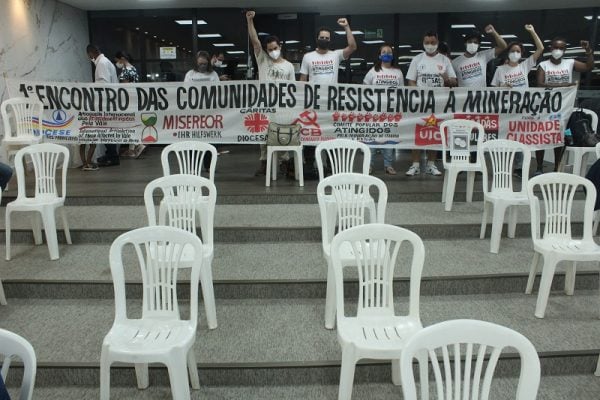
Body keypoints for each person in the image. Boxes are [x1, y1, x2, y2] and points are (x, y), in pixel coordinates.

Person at [246, 10, 297, 176]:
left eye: (275, 48)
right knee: (263, 134)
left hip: (282, 106)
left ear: (280, 46)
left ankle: (285, 162)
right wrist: (250, 21)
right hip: (265, 103)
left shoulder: (289, 66)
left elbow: (293, 88)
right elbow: (255, 41)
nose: (272, 51)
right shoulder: (263, 60)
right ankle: (264, 162)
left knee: (282, 133)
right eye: (269, 49)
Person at [535, 37, 595, 175]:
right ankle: (539, 167)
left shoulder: (570, 62)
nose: (558, 50)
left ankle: (557, 167)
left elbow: (589, 67)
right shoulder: (544, 65)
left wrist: (588, 51)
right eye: (555, 47)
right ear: (551, 49)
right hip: (545, 106)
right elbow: (540, 84)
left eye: (561, 48)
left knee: (558, 137)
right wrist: (564, 85)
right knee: (541, 137)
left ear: (565, 50)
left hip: (563, 107)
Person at [490, 24, 544, 177]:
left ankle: (519, 167)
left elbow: (540, 49)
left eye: (518, 51)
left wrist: (532, 31)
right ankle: (503, 166)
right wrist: (502, 87)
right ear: (508, 53)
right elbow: (492, 89)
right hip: (506, 109)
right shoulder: (500, 70)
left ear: (521, 54)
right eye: (512, 51)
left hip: (522, 108)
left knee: (520, 138)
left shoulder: (524, 66)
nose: (515, 53)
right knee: (505, 137)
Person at [405, 31, 457, 176]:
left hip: (438, 104)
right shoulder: (417, 59)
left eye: (433, 43)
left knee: (434, 132)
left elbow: (454, 82)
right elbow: (411, 81)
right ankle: (415, 165)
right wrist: (418, 95)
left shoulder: (444, 60)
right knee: (416, 133)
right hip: (420, 103)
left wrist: (447, 79)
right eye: (427, 42)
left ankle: (431, 164)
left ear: (437, 43)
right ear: (423, 43)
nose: (430, 45)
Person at [363, 44, 404, 175]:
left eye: (389, 52)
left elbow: (402, 91)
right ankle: (369, 165)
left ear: (392, 55)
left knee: (389, 139)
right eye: (384, 52)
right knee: (372, 139)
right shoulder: (373, 71)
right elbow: (364, 89)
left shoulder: (398, 72)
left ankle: (388, 165)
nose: (387, 54)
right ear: (380, 55)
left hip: (391, 112)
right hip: (374, 112)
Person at [85, 44, 118, 171]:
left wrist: (90, 87)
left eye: (89, 55)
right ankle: (110, 154)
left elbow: (103, 83)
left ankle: (112, 156)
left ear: (91, 53)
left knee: (106, 129)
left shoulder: (102, 63)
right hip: (108, 101)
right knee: (107, 129)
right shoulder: (105, 62)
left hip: (106, 102)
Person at [299, 19, 357, 83]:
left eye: (327, 38)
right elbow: (303, 79)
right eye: (322, 37)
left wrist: (346, 27)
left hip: (332, 93)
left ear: (330, 41)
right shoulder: (307, 56)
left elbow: (352, 47)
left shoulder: (336, 55)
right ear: (316, 39)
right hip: (314, 93)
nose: (324, 39)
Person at [114, 51, 145, 159]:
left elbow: (124, 87)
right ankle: (132, 149)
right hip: (134, 100)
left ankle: (138, 144)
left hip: (127, 101)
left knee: (128, 125)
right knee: (132, 124)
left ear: (122, 58)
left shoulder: (126, 71)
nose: (117, 63)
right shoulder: (133, 68)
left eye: (117, 61)